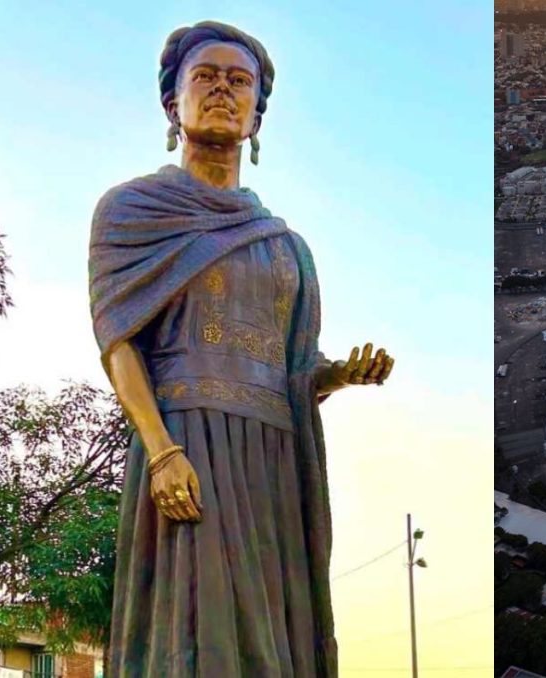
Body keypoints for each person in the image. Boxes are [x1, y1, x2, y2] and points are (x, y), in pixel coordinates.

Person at [88, 21, 393, 677]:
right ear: (173, 104)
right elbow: (118, 342)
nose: (223, 90)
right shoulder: (130, 211)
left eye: (239, 81)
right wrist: (162, 450)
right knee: (197, 626)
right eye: (206, 77)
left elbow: (289, 370)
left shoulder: (286, 246)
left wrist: (337, 374)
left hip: (275, 461)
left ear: (259, 113)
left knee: (274, 633)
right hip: (187, 442)